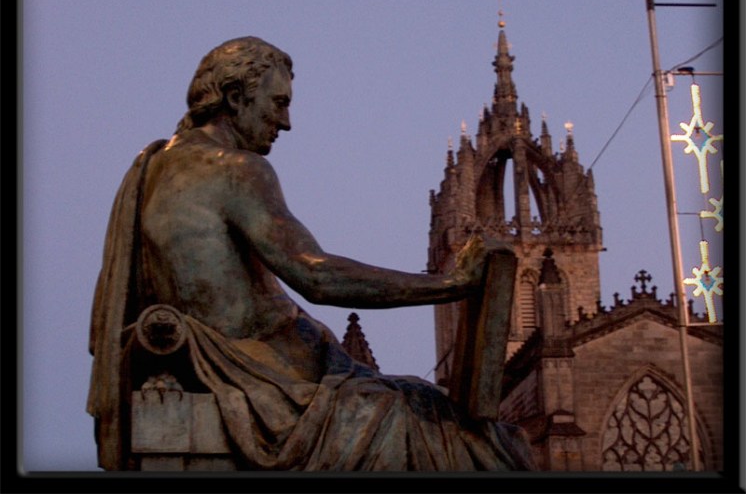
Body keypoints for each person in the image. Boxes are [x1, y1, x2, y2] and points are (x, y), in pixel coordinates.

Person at [87, 36, 535, 471]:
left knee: (436, 408)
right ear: (235, 96)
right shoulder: (236, 169)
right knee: (477, 443)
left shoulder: (155, 166)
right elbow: (318, 277)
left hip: (256, 367)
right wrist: (452, 285)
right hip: (265, 381)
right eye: (278, 103)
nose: (286, 123)